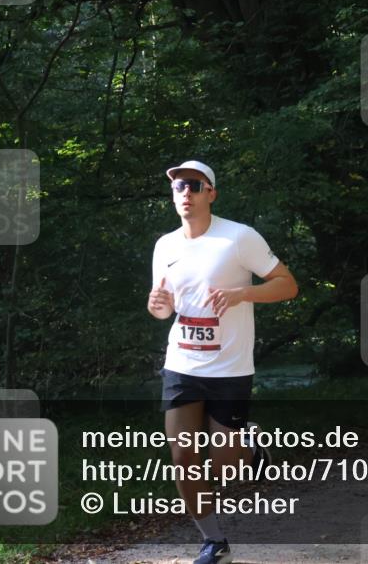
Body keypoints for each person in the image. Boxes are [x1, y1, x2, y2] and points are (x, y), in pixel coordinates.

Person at [147, 160, 298, 564]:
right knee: (182, 457)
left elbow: (288, 285)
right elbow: (166, 307)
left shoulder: (238, 238)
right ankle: (214, 542)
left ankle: (253, 452)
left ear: (211, 193)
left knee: (226, 465)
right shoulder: (165, 246)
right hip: (182, 363)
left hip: (229, 367)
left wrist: (241, 295)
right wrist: (157, 306)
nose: (185, 192)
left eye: (194, 185)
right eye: (179, 185)